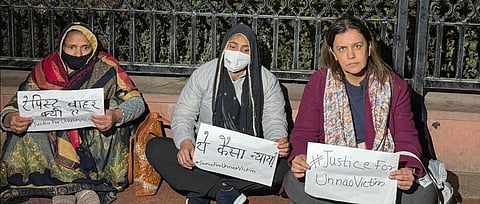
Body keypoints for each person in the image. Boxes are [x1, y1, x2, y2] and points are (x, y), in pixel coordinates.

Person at [282, 16, 438, 204]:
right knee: (293, 182)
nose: (351, 56)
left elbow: (406, 137)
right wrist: (300, 156)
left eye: (357, 46)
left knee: (425, 192)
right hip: (335, 170)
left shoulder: (394, 85)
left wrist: (408, 169)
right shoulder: (319, 82)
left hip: (380, 170)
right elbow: (304, 132)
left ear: (369, 47)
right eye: (342, 49)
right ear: (333, 53)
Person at [0, 22, 146, 204]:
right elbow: (16, 104)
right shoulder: (46, 68)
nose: (78, 54)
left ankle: (86, 186)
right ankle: (59, 189)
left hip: (92, 141)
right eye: (72, 47)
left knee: (113, 113)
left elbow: (136, 101)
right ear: (62, 46)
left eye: (85, 48)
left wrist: (116, 115)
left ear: (93, 47)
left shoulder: (106, 66)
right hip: (52, 143)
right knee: (24, 126)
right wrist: (9, 119)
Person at [146, 23, 290, 204]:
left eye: (245, 50)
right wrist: (185, 142)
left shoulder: (266, 80)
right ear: (224, 47)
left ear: (253, 53)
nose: (238, 53)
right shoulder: (205, 74)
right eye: (233, 47)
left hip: (247, 158)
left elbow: (273, 119)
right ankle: (225, 192)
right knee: (155, 148)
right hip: (204, 155)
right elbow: (183, 114)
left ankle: (201, 189)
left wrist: (277, 140)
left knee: (285, 168)